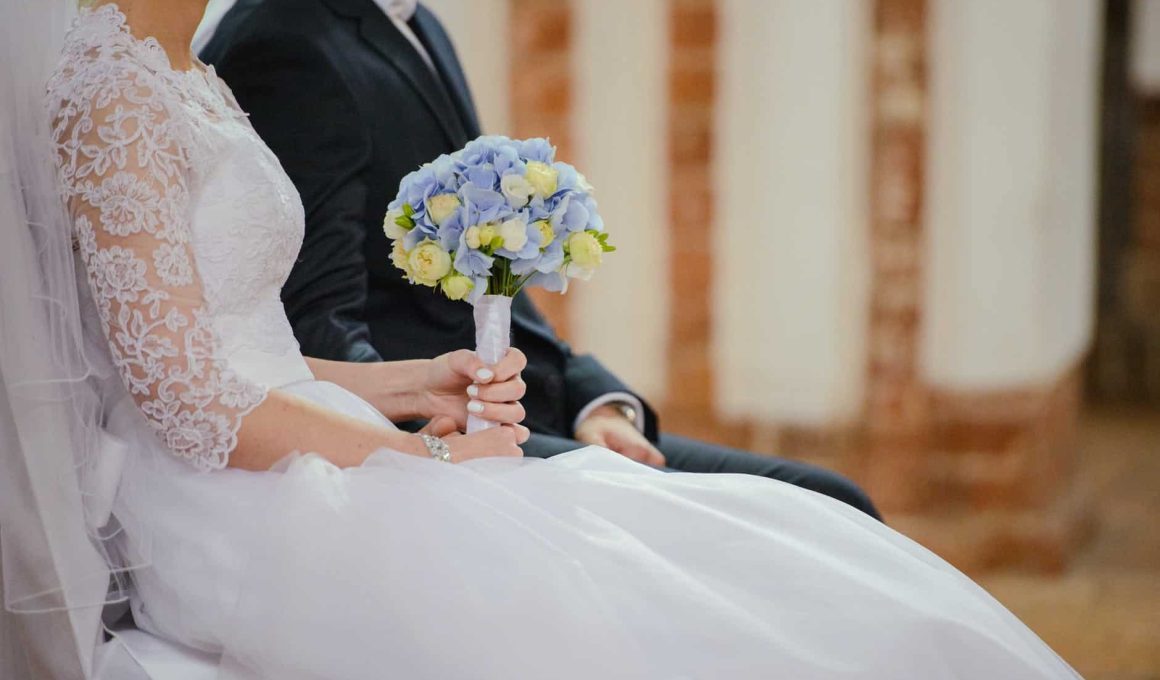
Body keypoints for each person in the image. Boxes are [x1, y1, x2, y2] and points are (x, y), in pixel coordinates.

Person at [0, 0, 1080, 677]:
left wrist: (414, 380)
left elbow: (236, 342)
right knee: (598, 599)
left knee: (750, 539)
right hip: (226, 503)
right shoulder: (113, 94)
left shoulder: (188, 73)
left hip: (310, 434)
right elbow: (189, 400)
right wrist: (428, 453)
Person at [195, 0, 883, 519]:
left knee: (831, 499)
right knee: (793, 530)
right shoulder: (287, 45)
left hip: (539, 411)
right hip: (440, 439)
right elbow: (315, 322)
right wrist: (438, 442)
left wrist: (596, 405)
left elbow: (494, 278)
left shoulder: (418, 22)